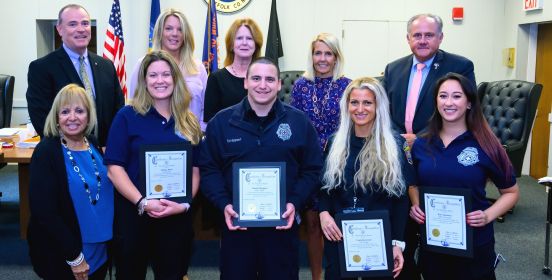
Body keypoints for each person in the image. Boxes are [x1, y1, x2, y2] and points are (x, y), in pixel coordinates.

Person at [200, 57, 322, 279]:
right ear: (245, 82)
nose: (262, 85)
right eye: (256, 78)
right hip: (237, 228)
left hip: (281, 229)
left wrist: (294, 202)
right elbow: (209, 169)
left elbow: (313, 169)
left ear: (278, 84)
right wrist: (224, 204)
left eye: (269, 79)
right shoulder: (222, 123)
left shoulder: (299, 123)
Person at [382, 14, 475, 279]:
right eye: (417, 35)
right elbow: (385, 114)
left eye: (429, 35)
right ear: (408, 38)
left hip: (437, 157)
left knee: (435, 237)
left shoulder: (460, 65)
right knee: (402, 231)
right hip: (398, 160)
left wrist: (420, 138)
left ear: (440, 37)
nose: (422, 40)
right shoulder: (393, 68)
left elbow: (463, 110)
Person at [409, 73, 519, 280]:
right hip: (434, 240)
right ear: (436, 101)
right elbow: (413, 184)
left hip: (474, 241)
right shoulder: (422, 143)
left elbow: (511, 192)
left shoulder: (487, 144)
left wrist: (488, 215)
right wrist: (416, 205)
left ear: (469, 103)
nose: (449, 102)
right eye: (443, 96)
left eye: (457, 96)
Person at [104, 51, 202, 280]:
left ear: (175, 79)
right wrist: (142, 202)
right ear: (144, 81)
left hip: (175, 215)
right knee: (130, 273)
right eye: (153, 75)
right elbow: (114, 169)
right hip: (134, 214)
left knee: (173, 273)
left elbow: (196, 170)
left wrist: (185, 205)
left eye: (166, 74)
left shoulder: (189, 121)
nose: (160, 80)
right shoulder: (127, 116)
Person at [319, 77, 413, 280]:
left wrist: (397, 242)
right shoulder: (335, 143)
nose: (360, 109)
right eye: (354, 102)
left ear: (378, 106)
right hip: (340, 235)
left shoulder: (394, 144)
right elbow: (325, 188)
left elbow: (401, 199)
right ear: (347, 106)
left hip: (379, 237)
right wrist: (324, 214)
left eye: (367, 102)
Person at [28, 84, 114, 280]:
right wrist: (74, 257)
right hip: (68, 252)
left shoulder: (92, 142)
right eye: (65, 111)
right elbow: (45, 212)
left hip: (100, 246)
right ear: (57, 117)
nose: (73, 117)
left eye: (79, 111)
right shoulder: (47, 152)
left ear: (89, 115)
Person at [289, 32, 351, 280]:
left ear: (336, 57)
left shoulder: (347, 85)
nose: (322, 58)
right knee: (313, 224)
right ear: (311, 56)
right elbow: (293, 124)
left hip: (339, 162)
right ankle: (316, 277)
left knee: (337, 222)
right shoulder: (300, 85)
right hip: (309, 163)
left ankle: (340, 272)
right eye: (318, 53)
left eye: (328, 53)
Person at [26, 4, 124, 146]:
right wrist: (74, 148)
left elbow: (118, 110)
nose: (81, 29)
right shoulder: (42, 68)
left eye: (85, 23)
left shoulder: (106, 66)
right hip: (63, 155)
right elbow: (41, 118)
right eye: (72, 24)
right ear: (59, 29)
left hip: (104, 154)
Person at [128, 8, 208, 131]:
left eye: (180, 29)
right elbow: (134, 104)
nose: (174, 33)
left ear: (185, 34)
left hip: (191, 138)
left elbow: (205, 109)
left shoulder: (198, 67)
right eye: (169, 28)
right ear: (160, 32)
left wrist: (200, 133)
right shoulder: (143, 64)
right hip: (153, 137)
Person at [203, 18, 263, 122]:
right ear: (231, 44)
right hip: (227, 137)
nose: (244, 43)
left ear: (256, 44)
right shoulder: (216, 79)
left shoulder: (264, 78)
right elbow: (211, 120)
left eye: (249, 38)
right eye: (239, 38)